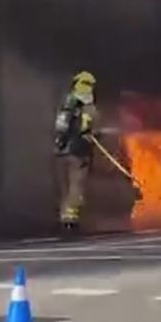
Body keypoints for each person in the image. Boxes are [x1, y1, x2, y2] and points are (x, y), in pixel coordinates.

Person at [53, 70, 99, 233]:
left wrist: (59, 141)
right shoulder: (86, 104)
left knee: (65, 186)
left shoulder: (68, 102)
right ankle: (71, 220)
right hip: (78, 151)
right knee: (76, 185)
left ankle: (65, 217)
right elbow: (86, 124)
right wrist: (89, 133)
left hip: (63, 151)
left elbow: (62, 124)